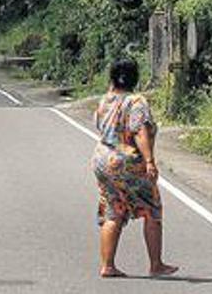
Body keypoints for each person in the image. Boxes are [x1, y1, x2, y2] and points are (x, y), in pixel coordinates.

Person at [92, 59, 178, 280]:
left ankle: (107, 265)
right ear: (134, 78)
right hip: (127, 161)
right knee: (151, 210)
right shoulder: (136, 101)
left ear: (112, 78)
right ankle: (156, 265)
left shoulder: (105, 100)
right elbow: (139, 130)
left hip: (102, 159)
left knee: (113, 208)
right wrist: (149, 161)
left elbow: (99, 125)